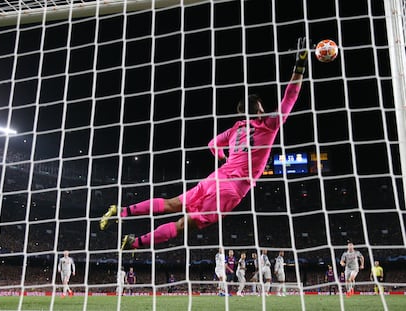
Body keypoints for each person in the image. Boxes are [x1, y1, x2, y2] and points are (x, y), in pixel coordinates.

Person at [99, 37, 309, 251]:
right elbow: (289, 97)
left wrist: (223, 157)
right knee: (183, 226)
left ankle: (123, 211)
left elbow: (212, 144)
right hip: (232, 189)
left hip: (215, 178)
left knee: (172, 203)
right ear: (259, 110)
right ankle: (135, 243)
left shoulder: (236, 129)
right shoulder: (268, 124)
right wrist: (299, 65)